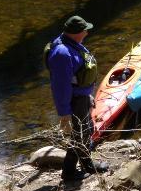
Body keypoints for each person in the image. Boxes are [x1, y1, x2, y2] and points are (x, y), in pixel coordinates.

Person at [45, 15, 108, 181]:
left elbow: (76, 76)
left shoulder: (71, 44)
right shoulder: (62, 54)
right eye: (84, 30)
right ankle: (69, 172)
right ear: (75, 33)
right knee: (80, 134)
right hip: (74, 100)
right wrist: (64, 113)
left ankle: (86, 164)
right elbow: (60, 86)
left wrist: (87, 94)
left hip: (81, 96)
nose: (87, 33)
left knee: (85, 131)